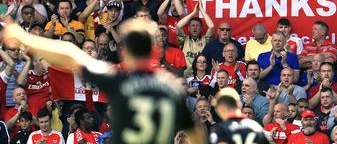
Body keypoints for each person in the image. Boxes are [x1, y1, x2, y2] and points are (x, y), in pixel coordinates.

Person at [2, 17, 205, 143]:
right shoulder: (172, 88)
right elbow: (194, 133)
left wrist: (24, 37)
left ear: (125, 53)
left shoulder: (119, 79)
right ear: (155, 50)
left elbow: (70, 53)